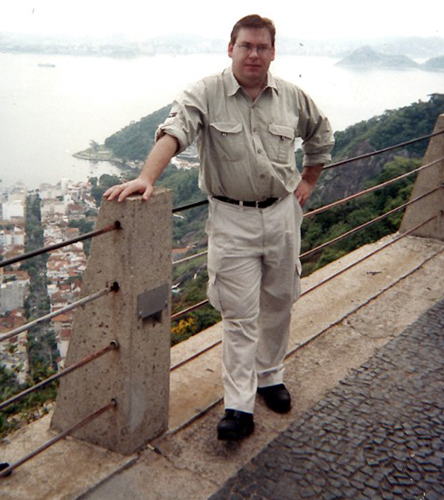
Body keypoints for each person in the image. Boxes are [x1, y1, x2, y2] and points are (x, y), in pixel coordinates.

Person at [104, 14, 334, 441]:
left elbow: (321, 134)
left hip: (283, 214)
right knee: (239, 314)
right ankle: (239, 405)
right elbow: (174, 132)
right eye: (245, 46)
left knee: (281, 300)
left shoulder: (291, 97)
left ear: (272, 52)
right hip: (232, 220)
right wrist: (146, 178)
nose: (253, 54)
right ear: (231, 48)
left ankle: (270, 376)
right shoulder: (205, 93)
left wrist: (308, 181)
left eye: (262, 47)